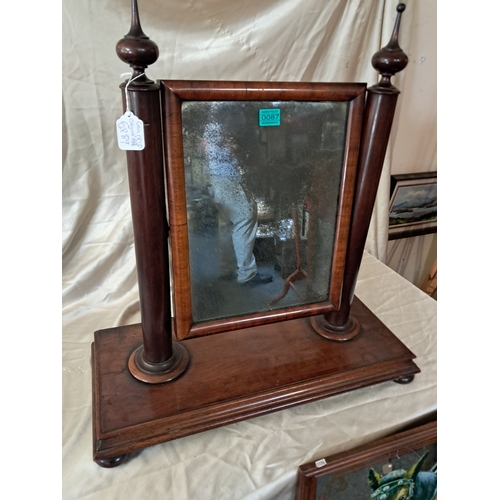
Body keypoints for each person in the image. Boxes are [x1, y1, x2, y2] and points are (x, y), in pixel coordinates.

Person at [203, 115, 272, 286]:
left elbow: (206, 150)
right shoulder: (227, 123)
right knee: (245, 219)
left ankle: (227, 269)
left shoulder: (209, 124)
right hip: (229, 179)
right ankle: (246, 274)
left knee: (227, 224)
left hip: (216, 179)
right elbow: (234, 149)